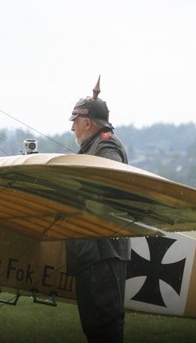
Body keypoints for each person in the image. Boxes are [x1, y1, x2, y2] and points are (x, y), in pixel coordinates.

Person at [66, 77, 130, 343]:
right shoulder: (94, 147)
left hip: (102, 250)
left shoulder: (105, 145)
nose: (72, 129)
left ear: (87, 123)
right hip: (92, 250)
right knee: (94, 327)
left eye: (74, 122)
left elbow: (112, 184)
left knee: (104, 327)